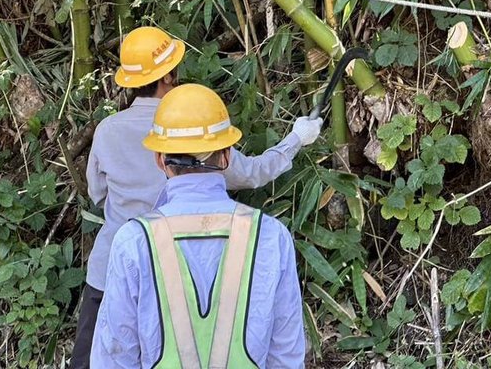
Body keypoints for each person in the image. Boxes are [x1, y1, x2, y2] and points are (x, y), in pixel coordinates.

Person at [69, 26, 321, 368]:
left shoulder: (107, 131)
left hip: (114, 265)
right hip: (204, 271)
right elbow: (254, 173)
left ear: (161, 161)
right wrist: (296, 139)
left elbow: (97, 193)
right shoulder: (268, 236)